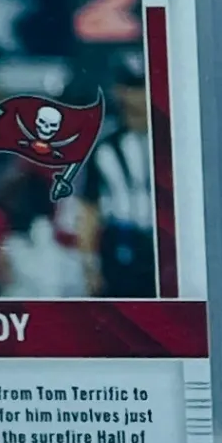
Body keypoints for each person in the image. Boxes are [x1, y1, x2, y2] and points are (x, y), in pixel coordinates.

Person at [74, 51, 157, 296]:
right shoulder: (105, 149)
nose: (140, 96)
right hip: (122, 249)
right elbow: (89, 210)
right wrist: (89, 266)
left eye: (143, 87)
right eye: (133, 87)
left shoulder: (174, 145)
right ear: (119, 91)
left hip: (164, 248)